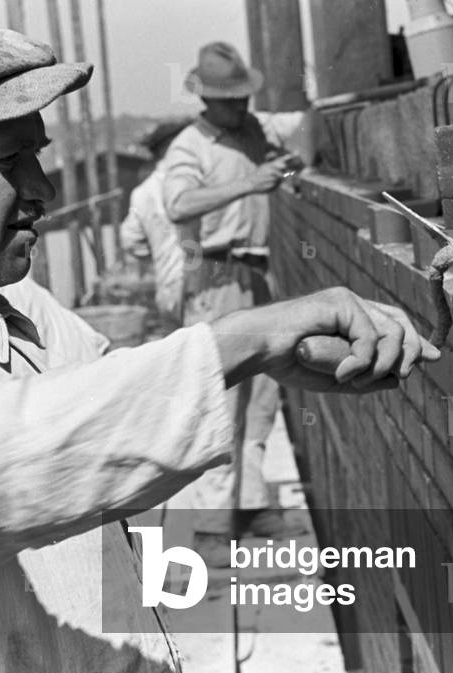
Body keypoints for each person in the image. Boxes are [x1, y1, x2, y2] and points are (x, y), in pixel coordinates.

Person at [0, 19, 438, 673]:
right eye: (7, 163)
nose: (43, 187)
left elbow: (107, 401)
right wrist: (237, 339)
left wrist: (262, 357)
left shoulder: (19, 312)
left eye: (36, 156)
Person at [161, 42, 321, 554]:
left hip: (254, 272)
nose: (240, 107)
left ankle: (249, 508)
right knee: (219, 400)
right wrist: (250, 183)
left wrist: (290, 165)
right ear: (205, 99)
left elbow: (304, 127)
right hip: (214, 276)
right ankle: (211, 525)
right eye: (229, 100)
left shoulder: (252, 129)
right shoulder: (191, 145)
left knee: (261, 397)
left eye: (244, 97)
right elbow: (179, 203)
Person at [119, 117, 192, 324]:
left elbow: (130, 240)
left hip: (168, 287)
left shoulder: (142, 192)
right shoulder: (196, 180)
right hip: (203, 288)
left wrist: (159, 253)